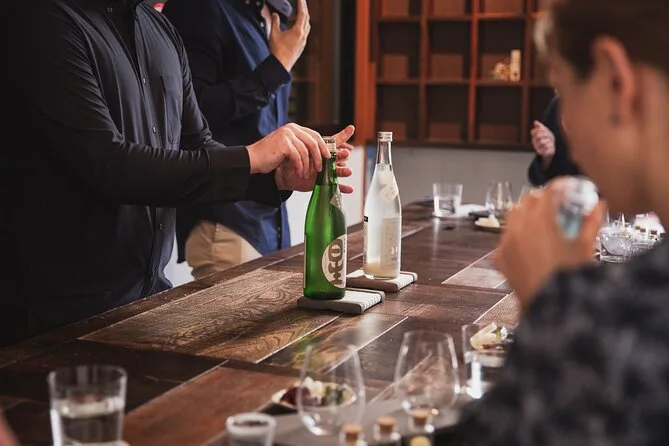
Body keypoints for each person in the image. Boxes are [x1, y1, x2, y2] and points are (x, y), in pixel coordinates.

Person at [0, 0, 354, 348]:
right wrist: (250, 157)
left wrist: (274, 175)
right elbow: (108, 164)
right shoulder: (40, 19)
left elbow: (197, 144)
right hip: (54, 320)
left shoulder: (161, 29)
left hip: (146, 303)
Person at [456, 0, 669, 444]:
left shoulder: (629, 311)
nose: (566, 123)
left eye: (566, 92)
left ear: (615, 81)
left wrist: (553, 305)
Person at [162, 0, 300, 278]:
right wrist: (275, 68)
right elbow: (189, 112)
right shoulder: (200, 9)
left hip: (270, 226)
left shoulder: (267, 15)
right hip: (226, 221)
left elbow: (264, 123)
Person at [527, 94, 581, 186]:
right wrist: (547, 157)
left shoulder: (606, 107)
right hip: (563, 193)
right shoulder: (559, 105)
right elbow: (537, 180)